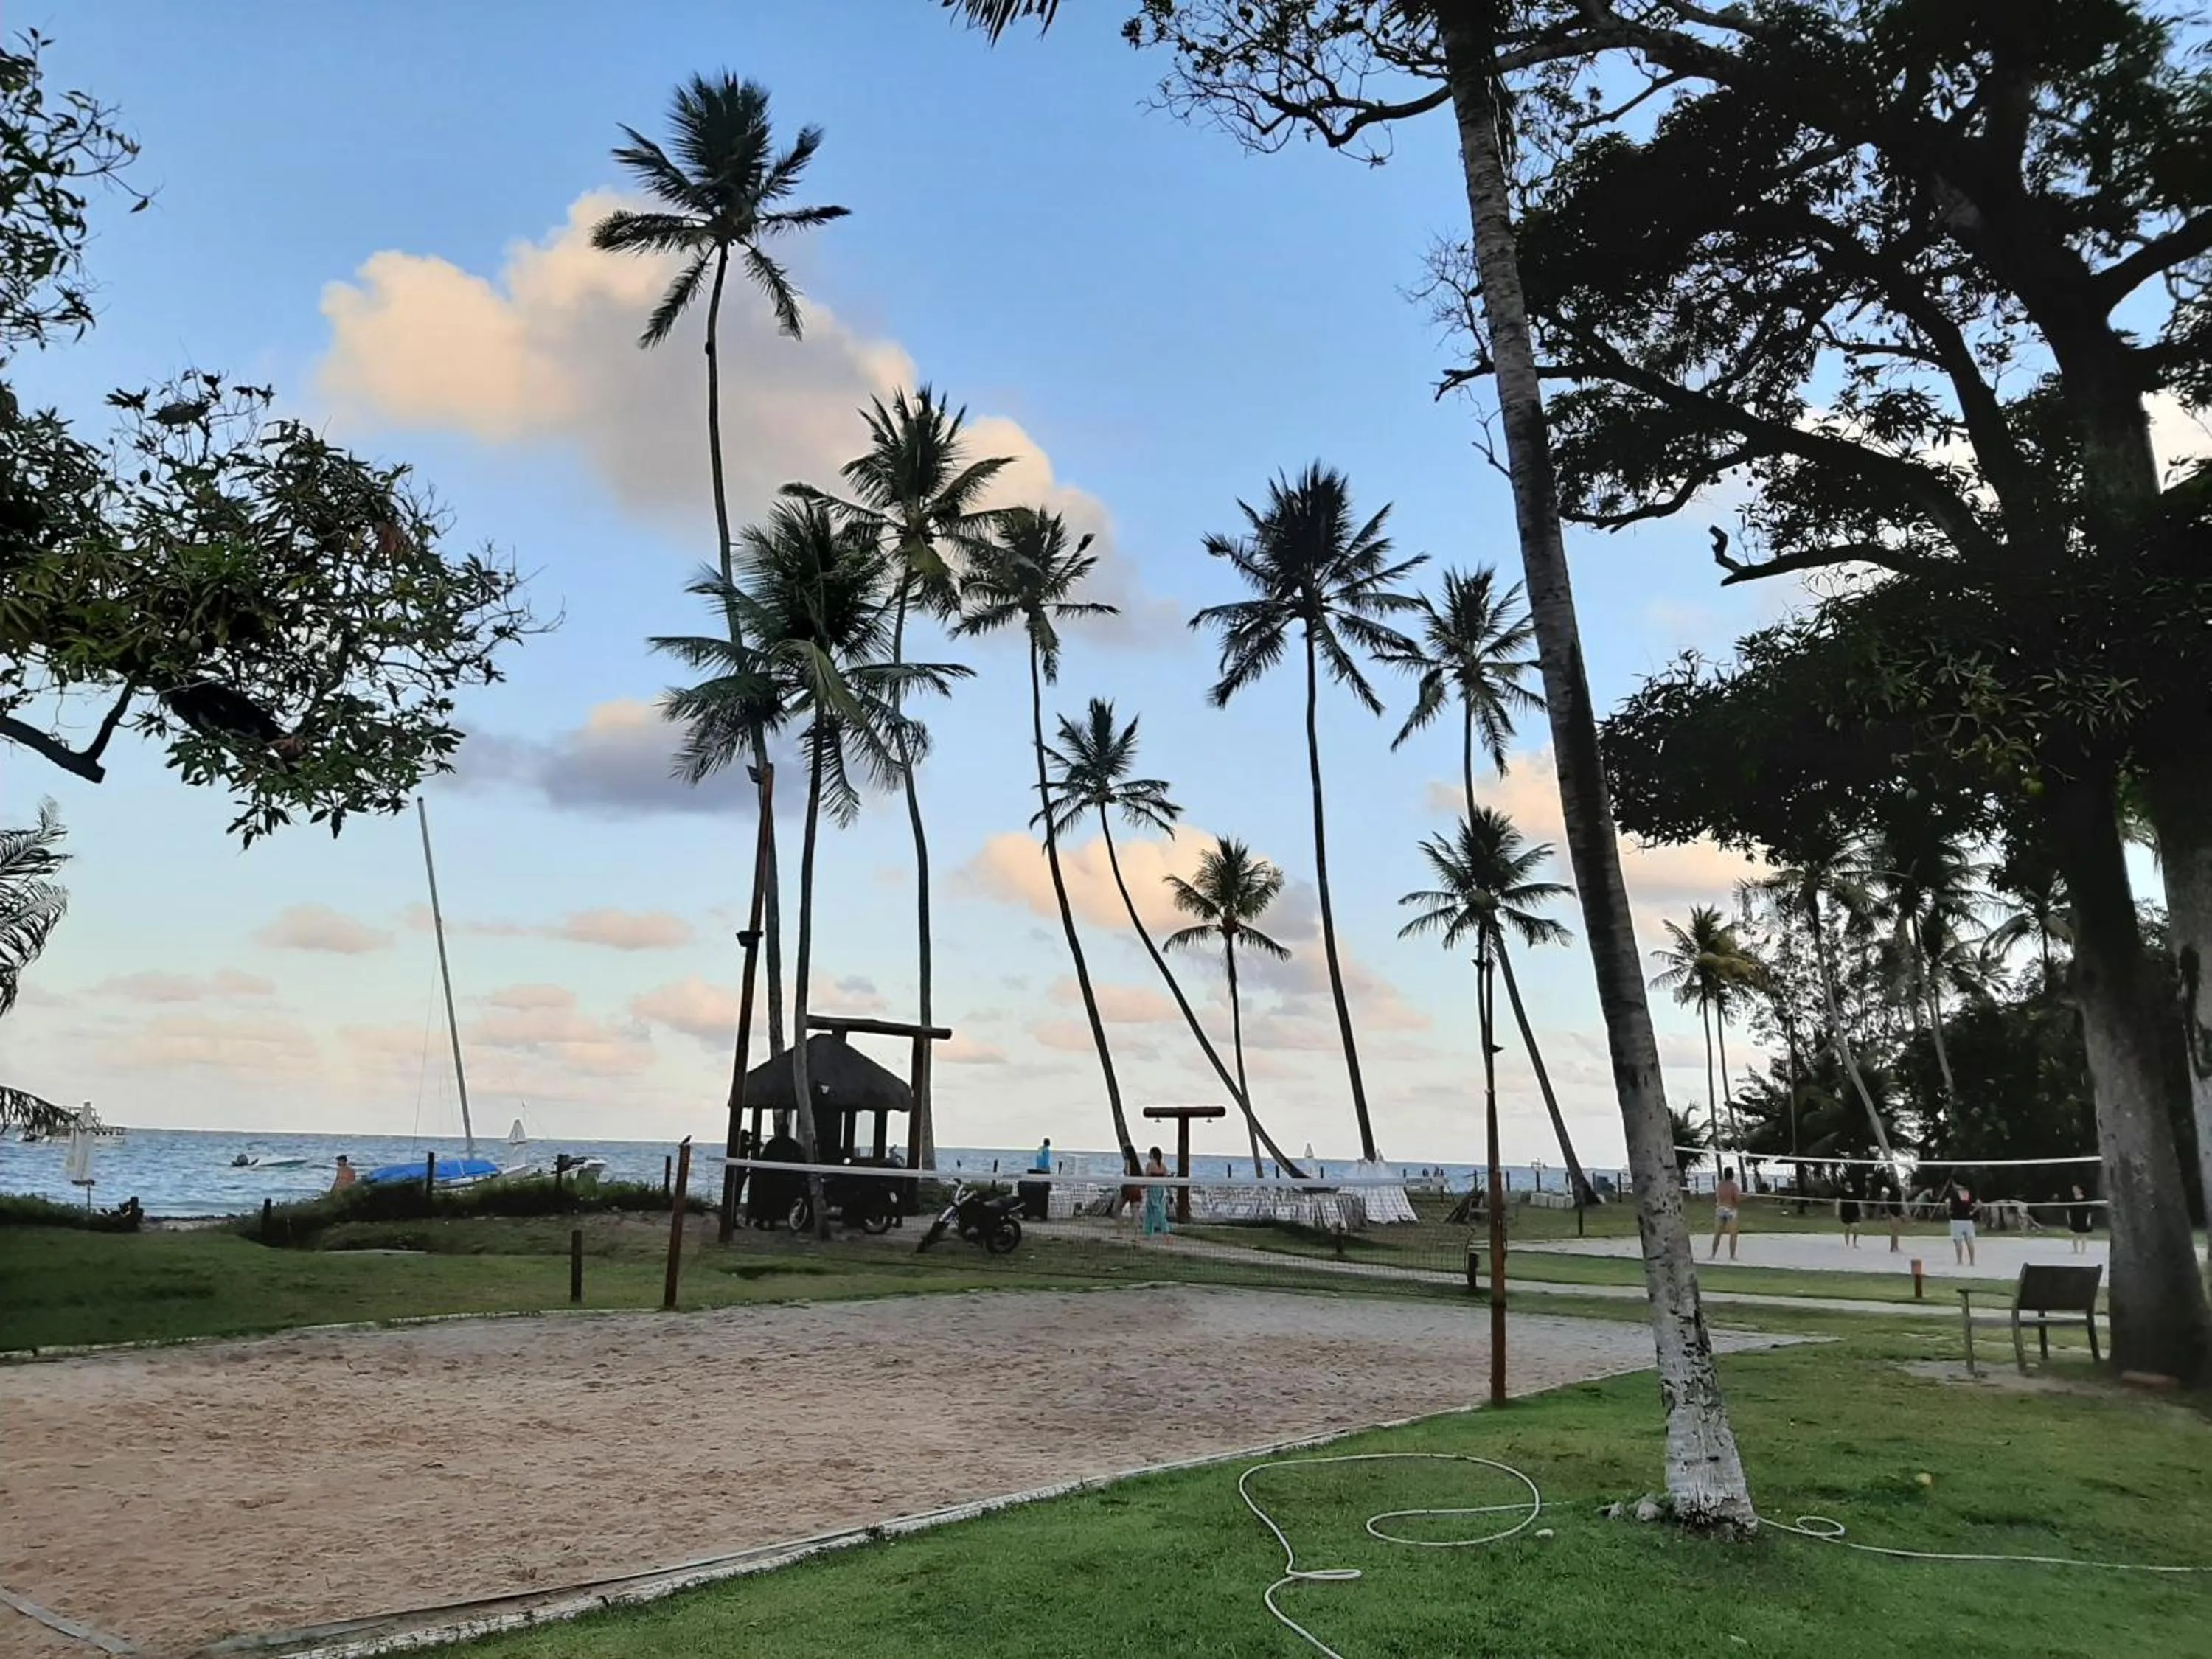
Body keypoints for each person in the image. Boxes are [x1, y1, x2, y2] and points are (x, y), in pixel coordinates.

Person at [1710, 1166, 1742, 1260]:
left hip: (1720, 1209)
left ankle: (1713, 1254)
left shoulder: (1720, 1185)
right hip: (1731, 1210)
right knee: (1733, 1235)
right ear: (1732, 1175)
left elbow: (1717, 1197)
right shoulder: (1734, 1186)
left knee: (1717, 1234)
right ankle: (1732, 1256)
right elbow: (1737, 1199)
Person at [1141, 1145, 1172, 1237]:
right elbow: (1167, 1179)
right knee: (1151, 1209)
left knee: (1155, 1209)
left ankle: (1164, 1229)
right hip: (1161, 1189)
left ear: (1153, 1154)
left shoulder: (1150, 1165)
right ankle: (1148, 1232)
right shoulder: (1163, 1165)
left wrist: (1143, 1186)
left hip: (1153, 1189)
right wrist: (1169, 1192)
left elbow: (1146, 1177)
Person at [1948, 1181, 1978, 1267]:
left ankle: (1960, 1261)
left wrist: (1949, 1212)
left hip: (1956, 1220)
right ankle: (1972, 1261)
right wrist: (1972, 1212)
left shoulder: (1954, 1194)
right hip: (1968, 1220)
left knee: (1958, 1241)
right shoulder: (1969, 1193)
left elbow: (1947, 1203)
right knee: (1970, 1241)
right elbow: (1979, 1203)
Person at [2067, 1183, 2096, 1254]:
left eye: (2076, 1189)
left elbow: (2089, 1211)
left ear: (2080, 1190)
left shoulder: (2086, 1199)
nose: (2074, 1191)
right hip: (2074, 1218)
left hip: (2083, 1218)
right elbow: (2068, 1210)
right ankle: (2075, 1250)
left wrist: (2088, 1220)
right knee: (2075, 1235)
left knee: (2084, 1235)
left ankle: (2083, 1250)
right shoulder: (2071, 1199)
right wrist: (2069, 1218)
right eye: (2073, 1189)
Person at [1838, 1174, 1862, 1248]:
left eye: (1849, 1183)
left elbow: (1859, 1202)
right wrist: (1837, 1212)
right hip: (1846, 1212)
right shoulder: (1842, 1192)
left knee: (1856, 1228)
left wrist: (1862, 1212)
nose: (1848, 1184)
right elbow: (1838, 1202)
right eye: (1847, 1183)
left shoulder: (1855, 1192)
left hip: (1855, 1212)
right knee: (1847, 1228)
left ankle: (1855, 1243)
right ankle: (1847, 1243)